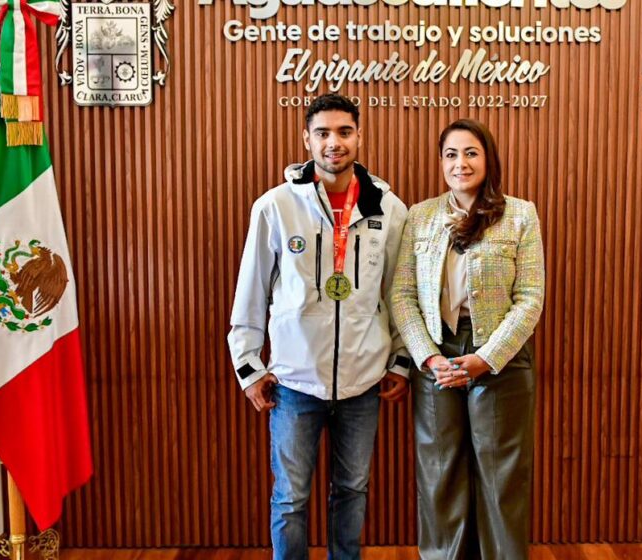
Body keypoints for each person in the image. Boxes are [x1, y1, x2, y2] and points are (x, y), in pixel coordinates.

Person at [227, 93, 412, 560]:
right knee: (290, 498)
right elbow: (251, 292)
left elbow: (401, 295)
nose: (334, 143)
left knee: (352, 490)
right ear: (305, 139)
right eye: (323, 133)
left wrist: (401, 361)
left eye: (344, 132)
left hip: (363, 383)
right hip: (293, 382)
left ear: (360, 137)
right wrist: (249, 367)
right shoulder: (274, 206)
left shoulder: (390, 210)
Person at [390, 119, 546, 559]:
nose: (461, 163)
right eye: (451, 154)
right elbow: (401, 295)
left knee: (501, 476)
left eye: (471, 153)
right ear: (441, 162)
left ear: (488, 158)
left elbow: (531, 298)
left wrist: (486, 358)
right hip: (437, 357)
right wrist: (427, 358)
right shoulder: (420, 216)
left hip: (502, 360)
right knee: (438, 472)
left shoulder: (520, 214)